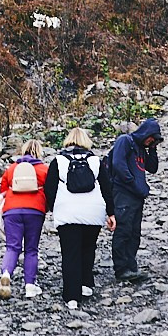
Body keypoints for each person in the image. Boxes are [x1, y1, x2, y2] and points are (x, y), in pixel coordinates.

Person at [44, 127, 115, 312]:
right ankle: (86, 284)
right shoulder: (95, 161)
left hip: (67, 212)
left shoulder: (58, 161)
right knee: (88, 248)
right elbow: (107, 188)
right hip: (93, 212)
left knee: (70, 253)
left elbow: (49, 189)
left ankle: (72, 297)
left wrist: (53, 208)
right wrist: (111, 213)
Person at [108, 117, 162, 283]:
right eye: (151, 138)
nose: (150, 142)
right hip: (123, 192)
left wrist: (152, 148)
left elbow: (152, 168)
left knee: (134, 233)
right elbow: (118, 164)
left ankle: (131, 267)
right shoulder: (125, 141)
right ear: (146, 133)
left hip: (137, 196)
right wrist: (132, 183)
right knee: (123, 230)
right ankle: (122, 269)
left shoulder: (141, 148)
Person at [0, 141, 48, 300]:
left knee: (12, 247)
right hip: (35, 211)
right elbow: (50, 189)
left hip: (12, 211)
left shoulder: (12, 169)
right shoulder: (44, 169)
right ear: (39, 152)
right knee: (31, 249)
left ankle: (6, 274)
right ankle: (30, 287)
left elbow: (3, 190)